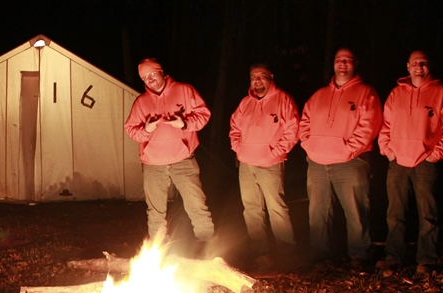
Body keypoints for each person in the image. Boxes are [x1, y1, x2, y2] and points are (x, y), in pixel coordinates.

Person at [377, 50, 443, 274]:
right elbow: (385, 124)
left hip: (425, 162)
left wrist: (436, 153)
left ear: (429, 66)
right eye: (415, 63)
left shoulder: (442, 93)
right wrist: (387, 149)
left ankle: (426, 260)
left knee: (427, 213)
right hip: (397, 161)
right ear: (408, 66)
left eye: (423, 63)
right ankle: (393, 258)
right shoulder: (396, 94)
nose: (419, 66)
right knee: (395, 213)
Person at [299, 48, 382, 268]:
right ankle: (320, 254)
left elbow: (369, 127)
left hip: (351, 162)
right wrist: (310, 145)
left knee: (355, 210)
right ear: (333, 64)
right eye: (338, 60)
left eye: (347, 60)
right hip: (317, 162)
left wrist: (347, 149)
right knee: (318, 211)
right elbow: (304, 122)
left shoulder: (366, 93)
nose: (342, 64)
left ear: (355, 63)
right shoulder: (319, 96)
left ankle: (359, 254)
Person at [123, 58, 215, 249]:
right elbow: (131, 130)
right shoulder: (141, 102)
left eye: (152, 74)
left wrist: (185, 123)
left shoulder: (184, 90)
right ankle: (157, 249)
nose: (150, 79)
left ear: (161, 72)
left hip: (183, 160)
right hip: (153, 164)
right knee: (155, 210)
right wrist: (146, 129)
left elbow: (204, 115)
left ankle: (207, 243)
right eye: (145, 77)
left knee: (196, 203)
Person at [229, 64, 299, 269]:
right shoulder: (245, 103)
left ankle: (287, 251)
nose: (257, 80)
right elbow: (234, 128)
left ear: (271, 77)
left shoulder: (283, 100)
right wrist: (238, 149)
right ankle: (261, 251)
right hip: (246, 163)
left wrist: (276, 152)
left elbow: (293, 129)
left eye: (261, 76)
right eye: (253, 77)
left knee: (277, 207)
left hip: (271, 163)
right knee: (251, 209)